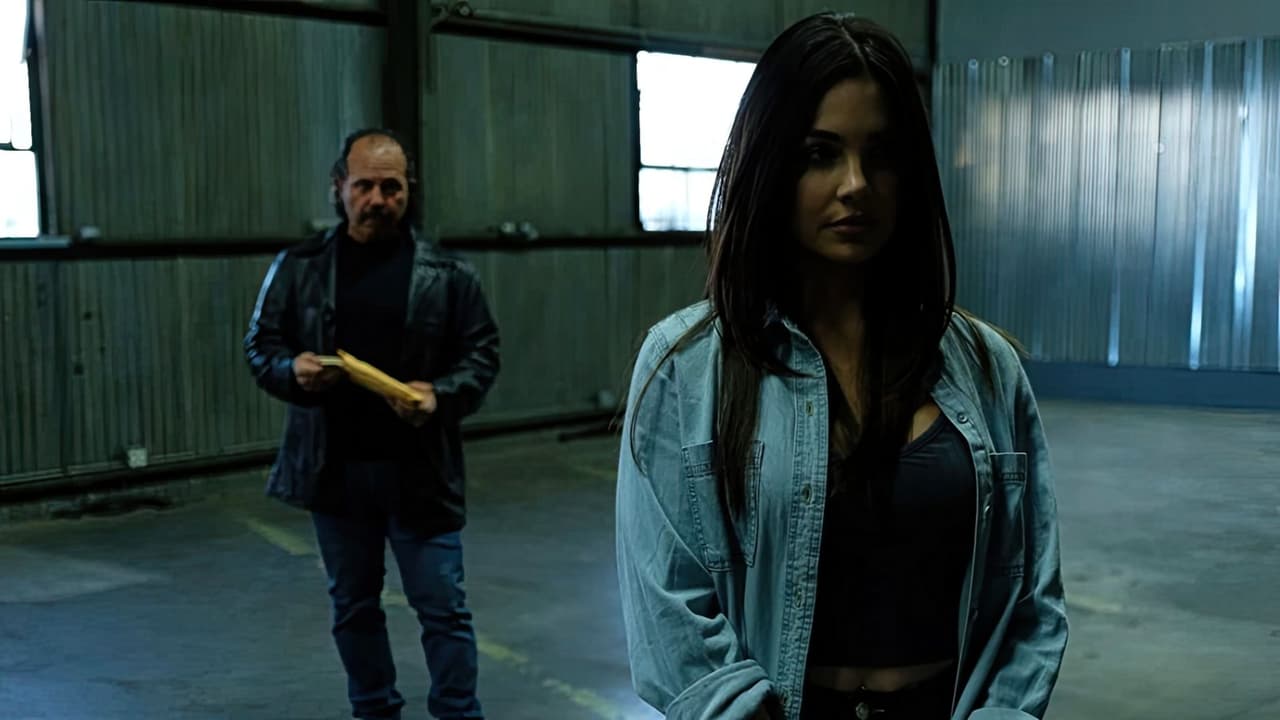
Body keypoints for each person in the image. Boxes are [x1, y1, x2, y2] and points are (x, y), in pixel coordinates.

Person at [614, 13, 1067, 720]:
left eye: (879, 156)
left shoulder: (988, 368)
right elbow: (669, 612)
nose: (856, 184)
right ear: (771, 165)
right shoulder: (687, 368)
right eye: (820, 154)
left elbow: (1032, 605)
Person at [244, 128, 499, 720]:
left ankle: (458, 714)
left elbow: (482, 355)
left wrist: (439, 395)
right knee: (354, 608)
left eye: (391, 187)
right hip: (335, 475)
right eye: (364, 186)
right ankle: (374, 710)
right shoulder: (299, 267)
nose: (378, 199)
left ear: (409, 190)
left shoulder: (449, 273)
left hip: (420, 474)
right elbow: (261, 345)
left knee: (443, 610)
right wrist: (290, 370)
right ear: (339, 188)